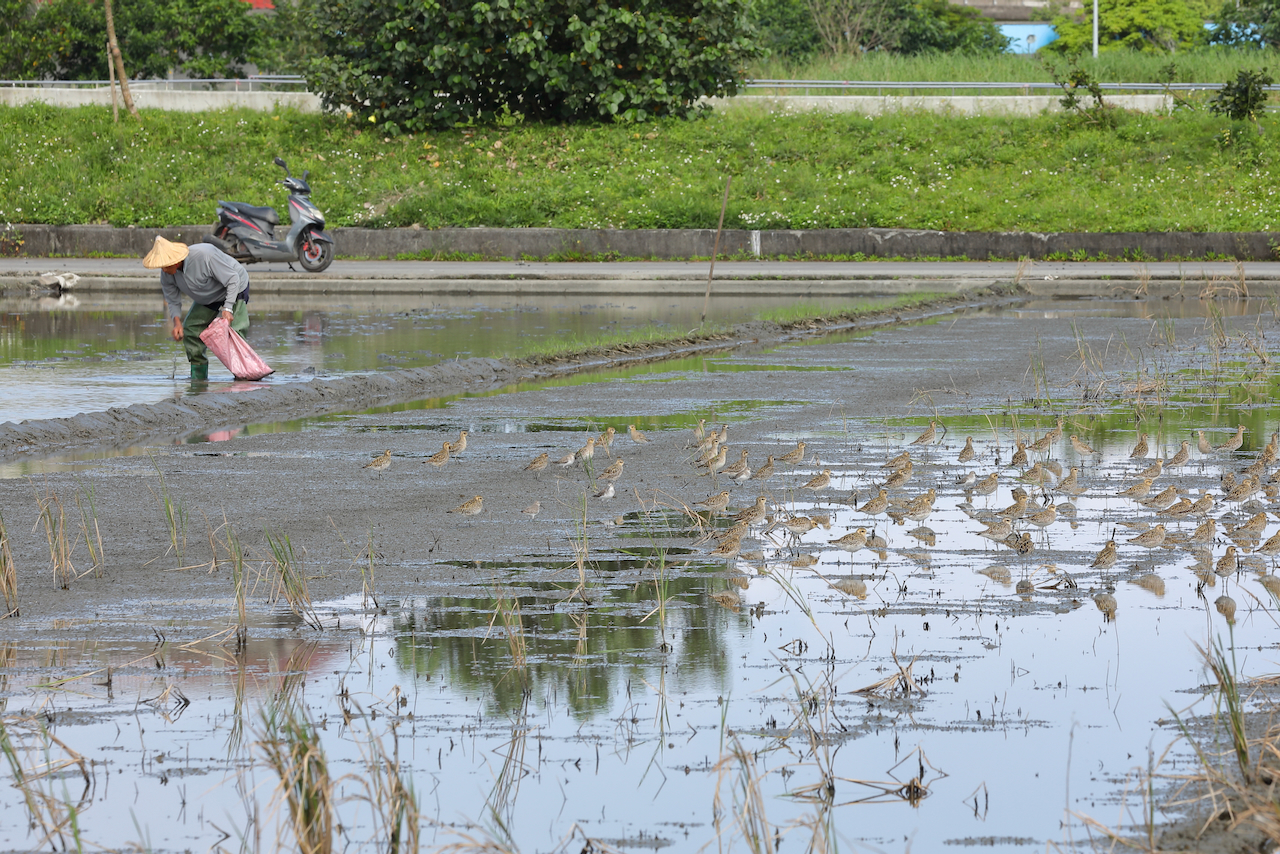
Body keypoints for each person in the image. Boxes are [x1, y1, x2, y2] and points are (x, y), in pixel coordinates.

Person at [142, 236, 251, 381]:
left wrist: (228, 307)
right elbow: (173, 300)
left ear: (176, 260)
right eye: (161, 266)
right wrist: (177, 323)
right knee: (191, 329)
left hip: (234, 287)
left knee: (235, 332)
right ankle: (198, 378)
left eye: (166, 265)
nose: (163, 269)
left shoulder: (205, 256)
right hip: (207, 295)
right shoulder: (167, 274)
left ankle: (244, 376)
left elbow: (232, 279)